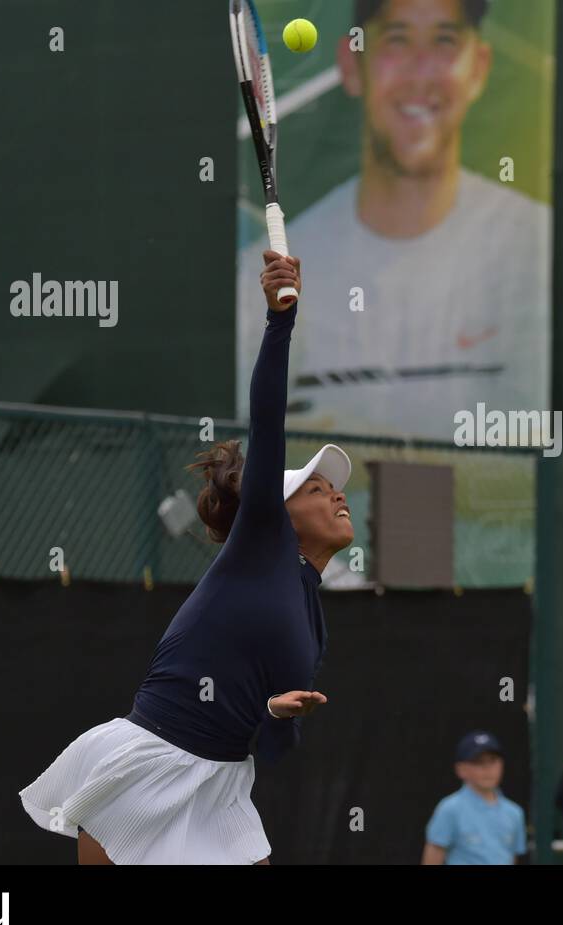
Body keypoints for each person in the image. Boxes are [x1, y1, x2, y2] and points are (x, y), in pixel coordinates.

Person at [20, 252, 355, 864]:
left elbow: (275, 750)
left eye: (333, 485)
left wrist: (276, 715)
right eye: (315, 487)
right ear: (272, 511)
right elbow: (269, 417)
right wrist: (280, 320)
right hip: (150, 760)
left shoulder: (313, 623)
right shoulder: (261, 543)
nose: (337, 492)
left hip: (223, 783)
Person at [236, 0, 551, 440]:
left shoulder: (538, 251)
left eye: (444, 41)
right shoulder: (262, 278)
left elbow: (537, 461)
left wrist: (374, 456)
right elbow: (246, 467)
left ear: (479, 67)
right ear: (351, 63)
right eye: (397, 40)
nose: (420, 71)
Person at [421, 731, 527, 864]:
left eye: (492, 761)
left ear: (502, 765)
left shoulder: (514, 812)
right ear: (461, 769)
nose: (487, 768)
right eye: (478, 762)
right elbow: (433, 856)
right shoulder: (449, 809)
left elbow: (512, 858)